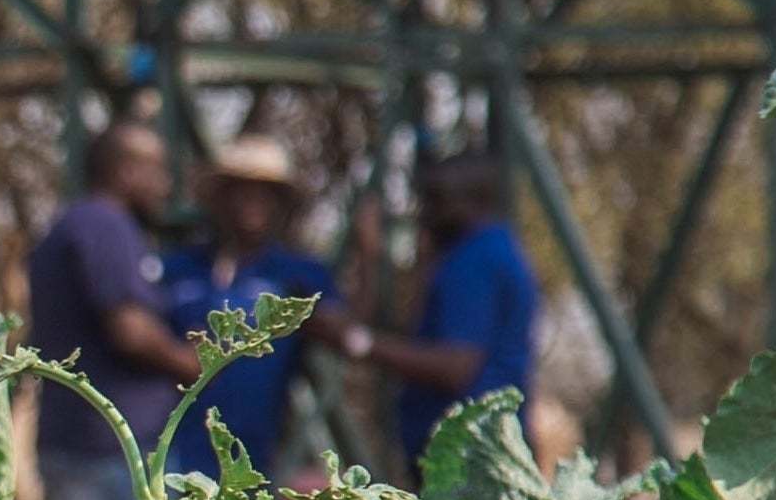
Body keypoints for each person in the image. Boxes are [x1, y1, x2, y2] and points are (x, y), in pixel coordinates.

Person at [22, 118, 204, 500]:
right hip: (113, 447)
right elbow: (129, 329)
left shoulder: (69, 226)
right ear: (127, 170)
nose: (165, 186)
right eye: (157, 171)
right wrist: (191, 362)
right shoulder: (106, 226)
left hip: (75, 440)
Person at [325, 146, 542, 472]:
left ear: (472, 201)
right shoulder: (490, 251)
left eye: (435, 200)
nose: (424, 213)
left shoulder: (474, 261)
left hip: (469, 457)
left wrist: (359, 343)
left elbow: (455, 367)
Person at [173, 132, 343, 478]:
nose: (253, 202)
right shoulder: (178, 268)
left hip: (251, 455)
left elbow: (345, 333)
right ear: (220, 198)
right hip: (170, 450)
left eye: (267, 193)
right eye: (242, 190)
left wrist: (370, 258)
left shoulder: (298, 275)